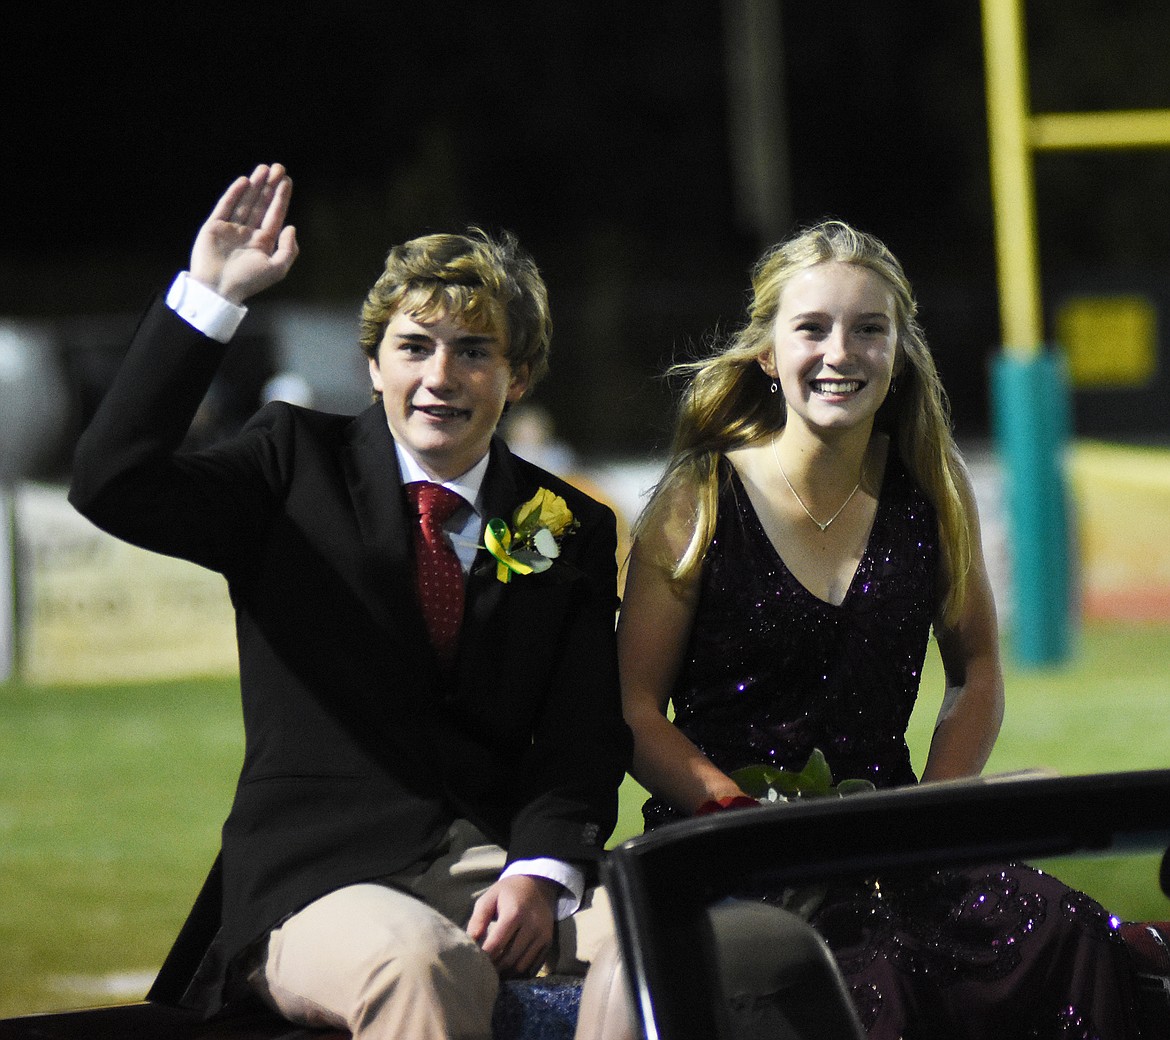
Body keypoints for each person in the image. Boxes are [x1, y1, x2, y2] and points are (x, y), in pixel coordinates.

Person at [68, 164, 631, 1040]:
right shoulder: (290, 463)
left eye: (473, 351)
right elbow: (111, 481)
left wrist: (545, 869)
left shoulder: (570, 525)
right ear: (373, 365)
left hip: (495, 868)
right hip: (319, 883)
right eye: (414, 346)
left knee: (656, 949)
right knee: (422, 964)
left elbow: (582, 735)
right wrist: (209, 297)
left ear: (517, 378)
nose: (440, 374)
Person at [609, 220, 1142, 1037]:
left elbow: (976, 673)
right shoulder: (698, 496)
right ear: (766, 353)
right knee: (866, 981)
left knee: (1065, 933)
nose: (841, 352)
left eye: (869, 330)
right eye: (812, 328)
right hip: (730, 853)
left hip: (893, 846)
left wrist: (928, 818)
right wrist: (733, 813)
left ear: (898, 353)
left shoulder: (932, 483)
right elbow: (636, 710)